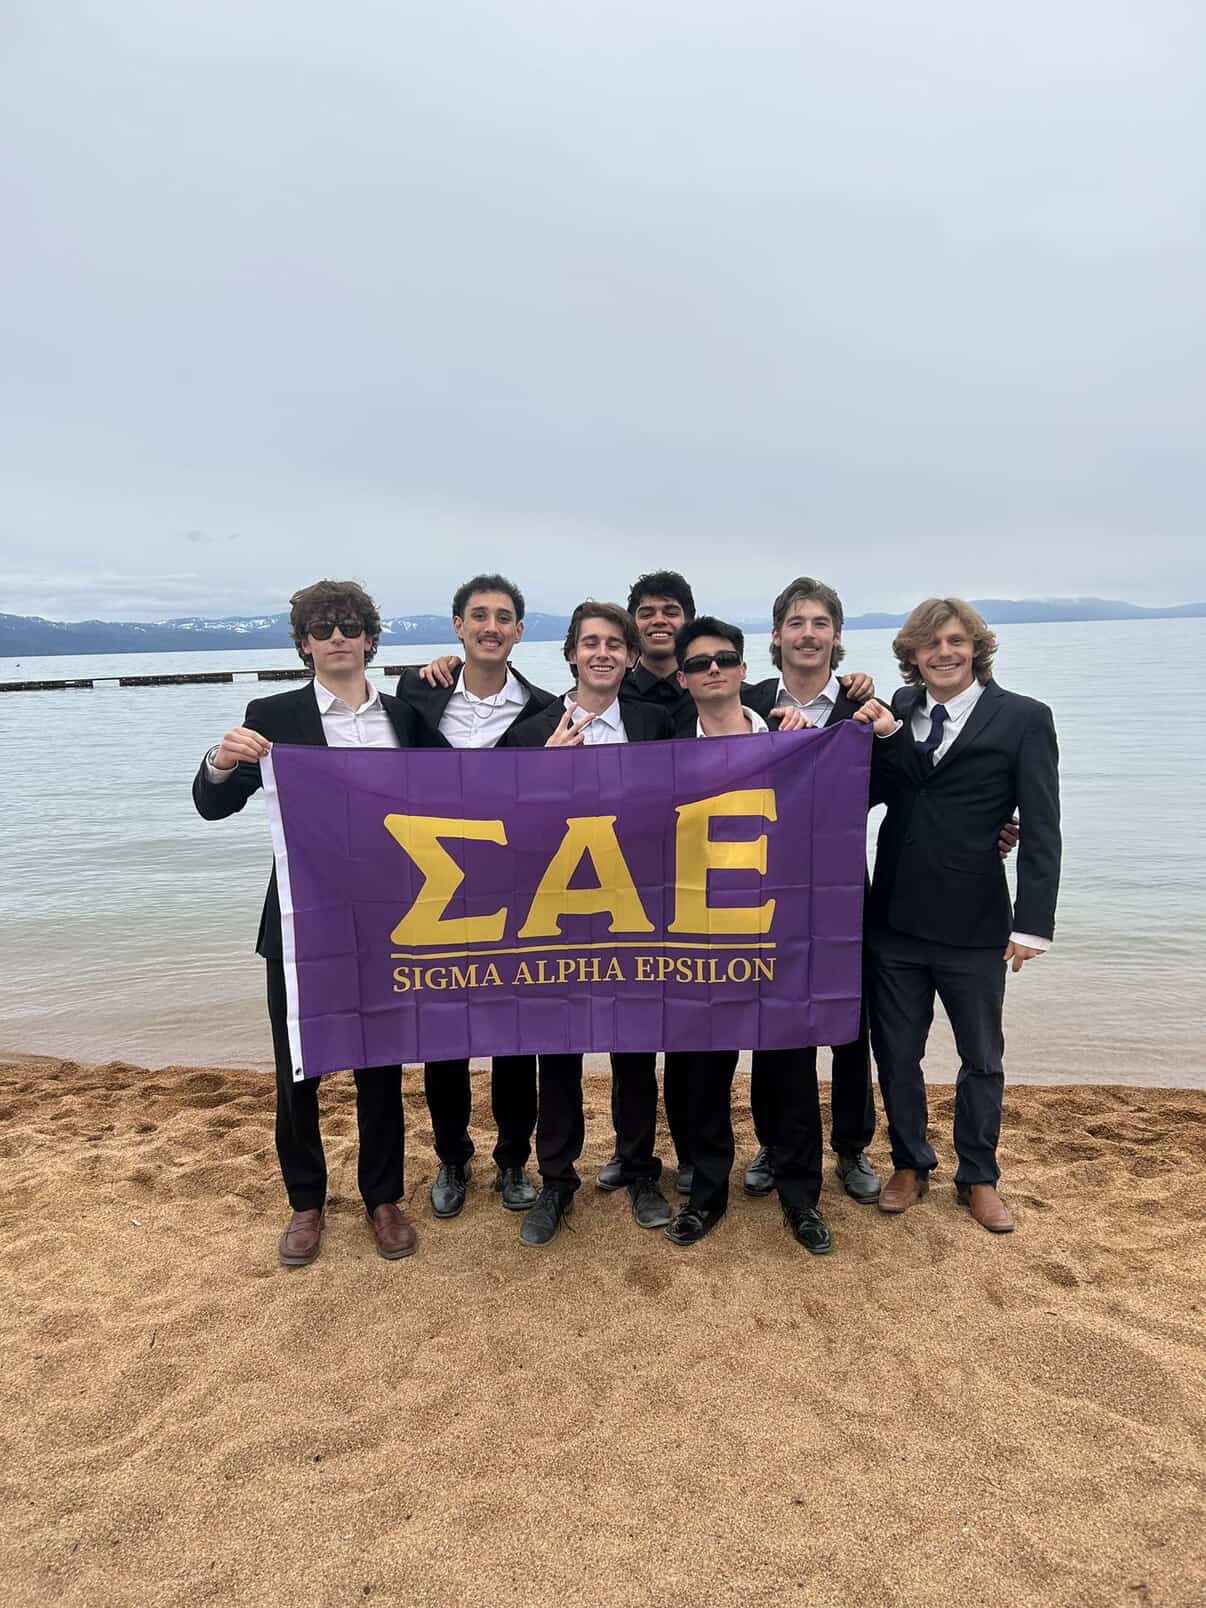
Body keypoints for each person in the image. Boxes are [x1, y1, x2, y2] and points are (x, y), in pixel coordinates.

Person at [191, 580, 421, 1268]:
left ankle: (382, 1197)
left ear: (370, 638)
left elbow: (466, 789)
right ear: (304, 644)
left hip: (386, 919)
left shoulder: (405, 719)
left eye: (350, 624)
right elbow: (213, 806)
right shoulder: (273, 714)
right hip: (300, 921)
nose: (338, 636)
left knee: (381, 1062)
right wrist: (221, 760)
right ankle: (305, 1203)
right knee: (300, 1068)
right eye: (323, 627)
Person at [853, 598, 1061, 1233]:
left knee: (982, 1057)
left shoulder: (1023, 718)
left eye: (955, 641)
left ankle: (979, 1175)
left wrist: (1031, 926)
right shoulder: (897, 710)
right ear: (912, 655)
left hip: (975, 924)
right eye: (930, 643)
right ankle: (911, 1163)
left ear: (976, 648)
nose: (943, 652)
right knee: (896, 1053)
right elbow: (877, 790)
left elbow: (1044, 826)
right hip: (894, 918)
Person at [499, 601, 674, 1247]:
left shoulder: (659, 723)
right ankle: (556, 1180)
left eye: (614, 644)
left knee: (635, 1049)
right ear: (571, 653)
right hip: (559, 912)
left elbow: (716, 775)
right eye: (590, 643)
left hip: (637, 911)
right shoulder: (531, 728)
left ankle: (638, 1167)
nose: (603, 653)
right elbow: (502, 823)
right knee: (560, 1050)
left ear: (630, 657)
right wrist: (540, 769)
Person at [660, 615, 833, 1254]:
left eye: (724, 659)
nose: (713, 670)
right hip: (692, 932)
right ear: (683, 678)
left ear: (742, 669)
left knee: (788, 1068)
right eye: (699, 662)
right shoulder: (662, 745)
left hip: (776, 932)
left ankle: (799, 1197)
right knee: (696, 1073)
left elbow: (853, 801)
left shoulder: (797, 741)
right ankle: (705, 1195)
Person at [396, 574, 555, 1219]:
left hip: (515, 891)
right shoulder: (414, 696)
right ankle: (453, 1157)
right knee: (445, 1038)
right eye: (479, 615)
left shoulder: (547, 710)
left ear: (519, 631)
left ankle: (515, 1159)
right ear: (458, 625)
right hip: (433, 890)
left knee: (517, 1038)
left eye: (505, 617)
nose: (492, 626)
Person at [740, 577, 882, 1206]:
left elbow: (905, 787)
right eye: (795, 623)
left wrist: (995, 827)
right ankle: (774, 1141)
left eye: (820, 623)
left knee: (852, 1023)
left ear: (836, 637)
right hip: (762, 887)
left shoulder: (862, 711)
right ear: (776, 636)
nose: (807, 634)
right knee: (774, 1024)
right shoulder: (744, 702)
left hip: (842, 885)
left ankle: (851, 1146)